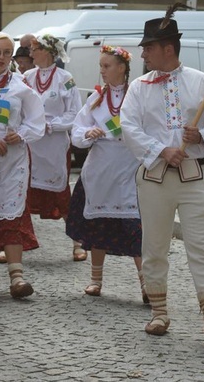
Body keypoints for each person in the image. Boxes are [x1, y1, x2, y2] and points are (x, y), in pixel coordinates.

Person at [120, 9, 204, 339]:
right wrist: (161, 150)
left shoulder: (202, 83)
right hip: (155, 178)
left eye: (149, 47)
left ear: (167, 48)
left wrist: (203, 137)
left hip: (195, 177)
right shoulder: (139, 88)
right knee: (154, 246)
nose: (142, 53)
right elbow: (128, 127)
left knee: (202, 246)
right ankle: (159, 313)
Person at [66, 46, 146, 300]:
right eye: (100, 66)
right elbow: (77, 130)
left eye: (106, 66)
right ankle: (95, 280)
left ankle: (147, 285)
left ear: (121, 68)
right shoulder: (96, 99)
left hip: (128, 170)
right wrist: (88, 134)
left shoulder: (137, 96)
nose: (101, 71)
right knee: (98, 226)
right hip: (100, 172)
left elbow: (149, 126)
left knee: (136, 229)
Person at [0, 31, 45, 298]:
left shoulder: (20, 85)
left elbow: (36, 119)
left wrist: (21, 134)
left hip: (12, 160)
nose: (2, 58)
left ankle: (17, 277)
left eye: (6, 53)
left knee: (11, 213)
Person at [24, 34, 83, 258]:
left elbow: (74, 112)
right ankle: (16, 242)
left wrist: (51, 125)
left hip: (54, 145)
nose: (30, 54)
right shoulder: (27, 77)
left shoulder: (65, 78)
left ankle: (78, 242)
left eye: (34, 49)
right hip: (31, 145)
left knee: (61, 193)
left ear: (48, 52)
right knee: (22, 192)